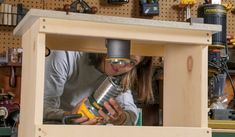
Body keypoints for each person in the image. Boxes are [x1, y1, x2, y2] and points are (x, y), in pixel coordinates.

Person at [43, 50, 154, 125]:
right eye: (121, 54)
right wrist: (69, 116)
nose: (121, 65)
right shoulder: (66, 55)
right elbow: (41, 108)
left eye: (131, 62)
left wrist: (120, 118)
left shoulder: (119, 79)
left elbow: (131, 115)